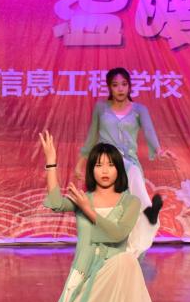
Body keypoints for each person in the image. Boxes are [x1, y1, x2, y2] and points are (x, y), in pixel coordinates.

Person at [25, 131, 190, 302]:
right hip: (85, 275)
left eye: (111, 165)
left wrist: (89, 210)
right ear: (91, 170)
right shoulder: (83, 198)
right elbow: (55, 203)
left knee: (126, 259)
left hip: (114, 273)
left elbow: (117, 234)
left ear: (119, 169)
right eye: (99, 165)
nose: (105, 170)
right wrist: (51, 163)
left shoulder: (130, 202)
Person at [75, 68, 175, 254]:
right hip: (105, 159)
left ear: (129, 86)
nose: (120, 89)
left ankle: (145, 217)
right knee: (117, 194)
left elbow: (149, 131)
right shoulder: (101, 108)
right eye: (115, 85)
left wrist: (159, 150)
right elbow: (91, 136)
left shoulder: (139, 110)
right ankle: (143, 214)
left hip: (128, 160)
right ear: (109, 87)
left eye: (124, 84)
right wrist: (81, 162)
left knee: (132, 184)